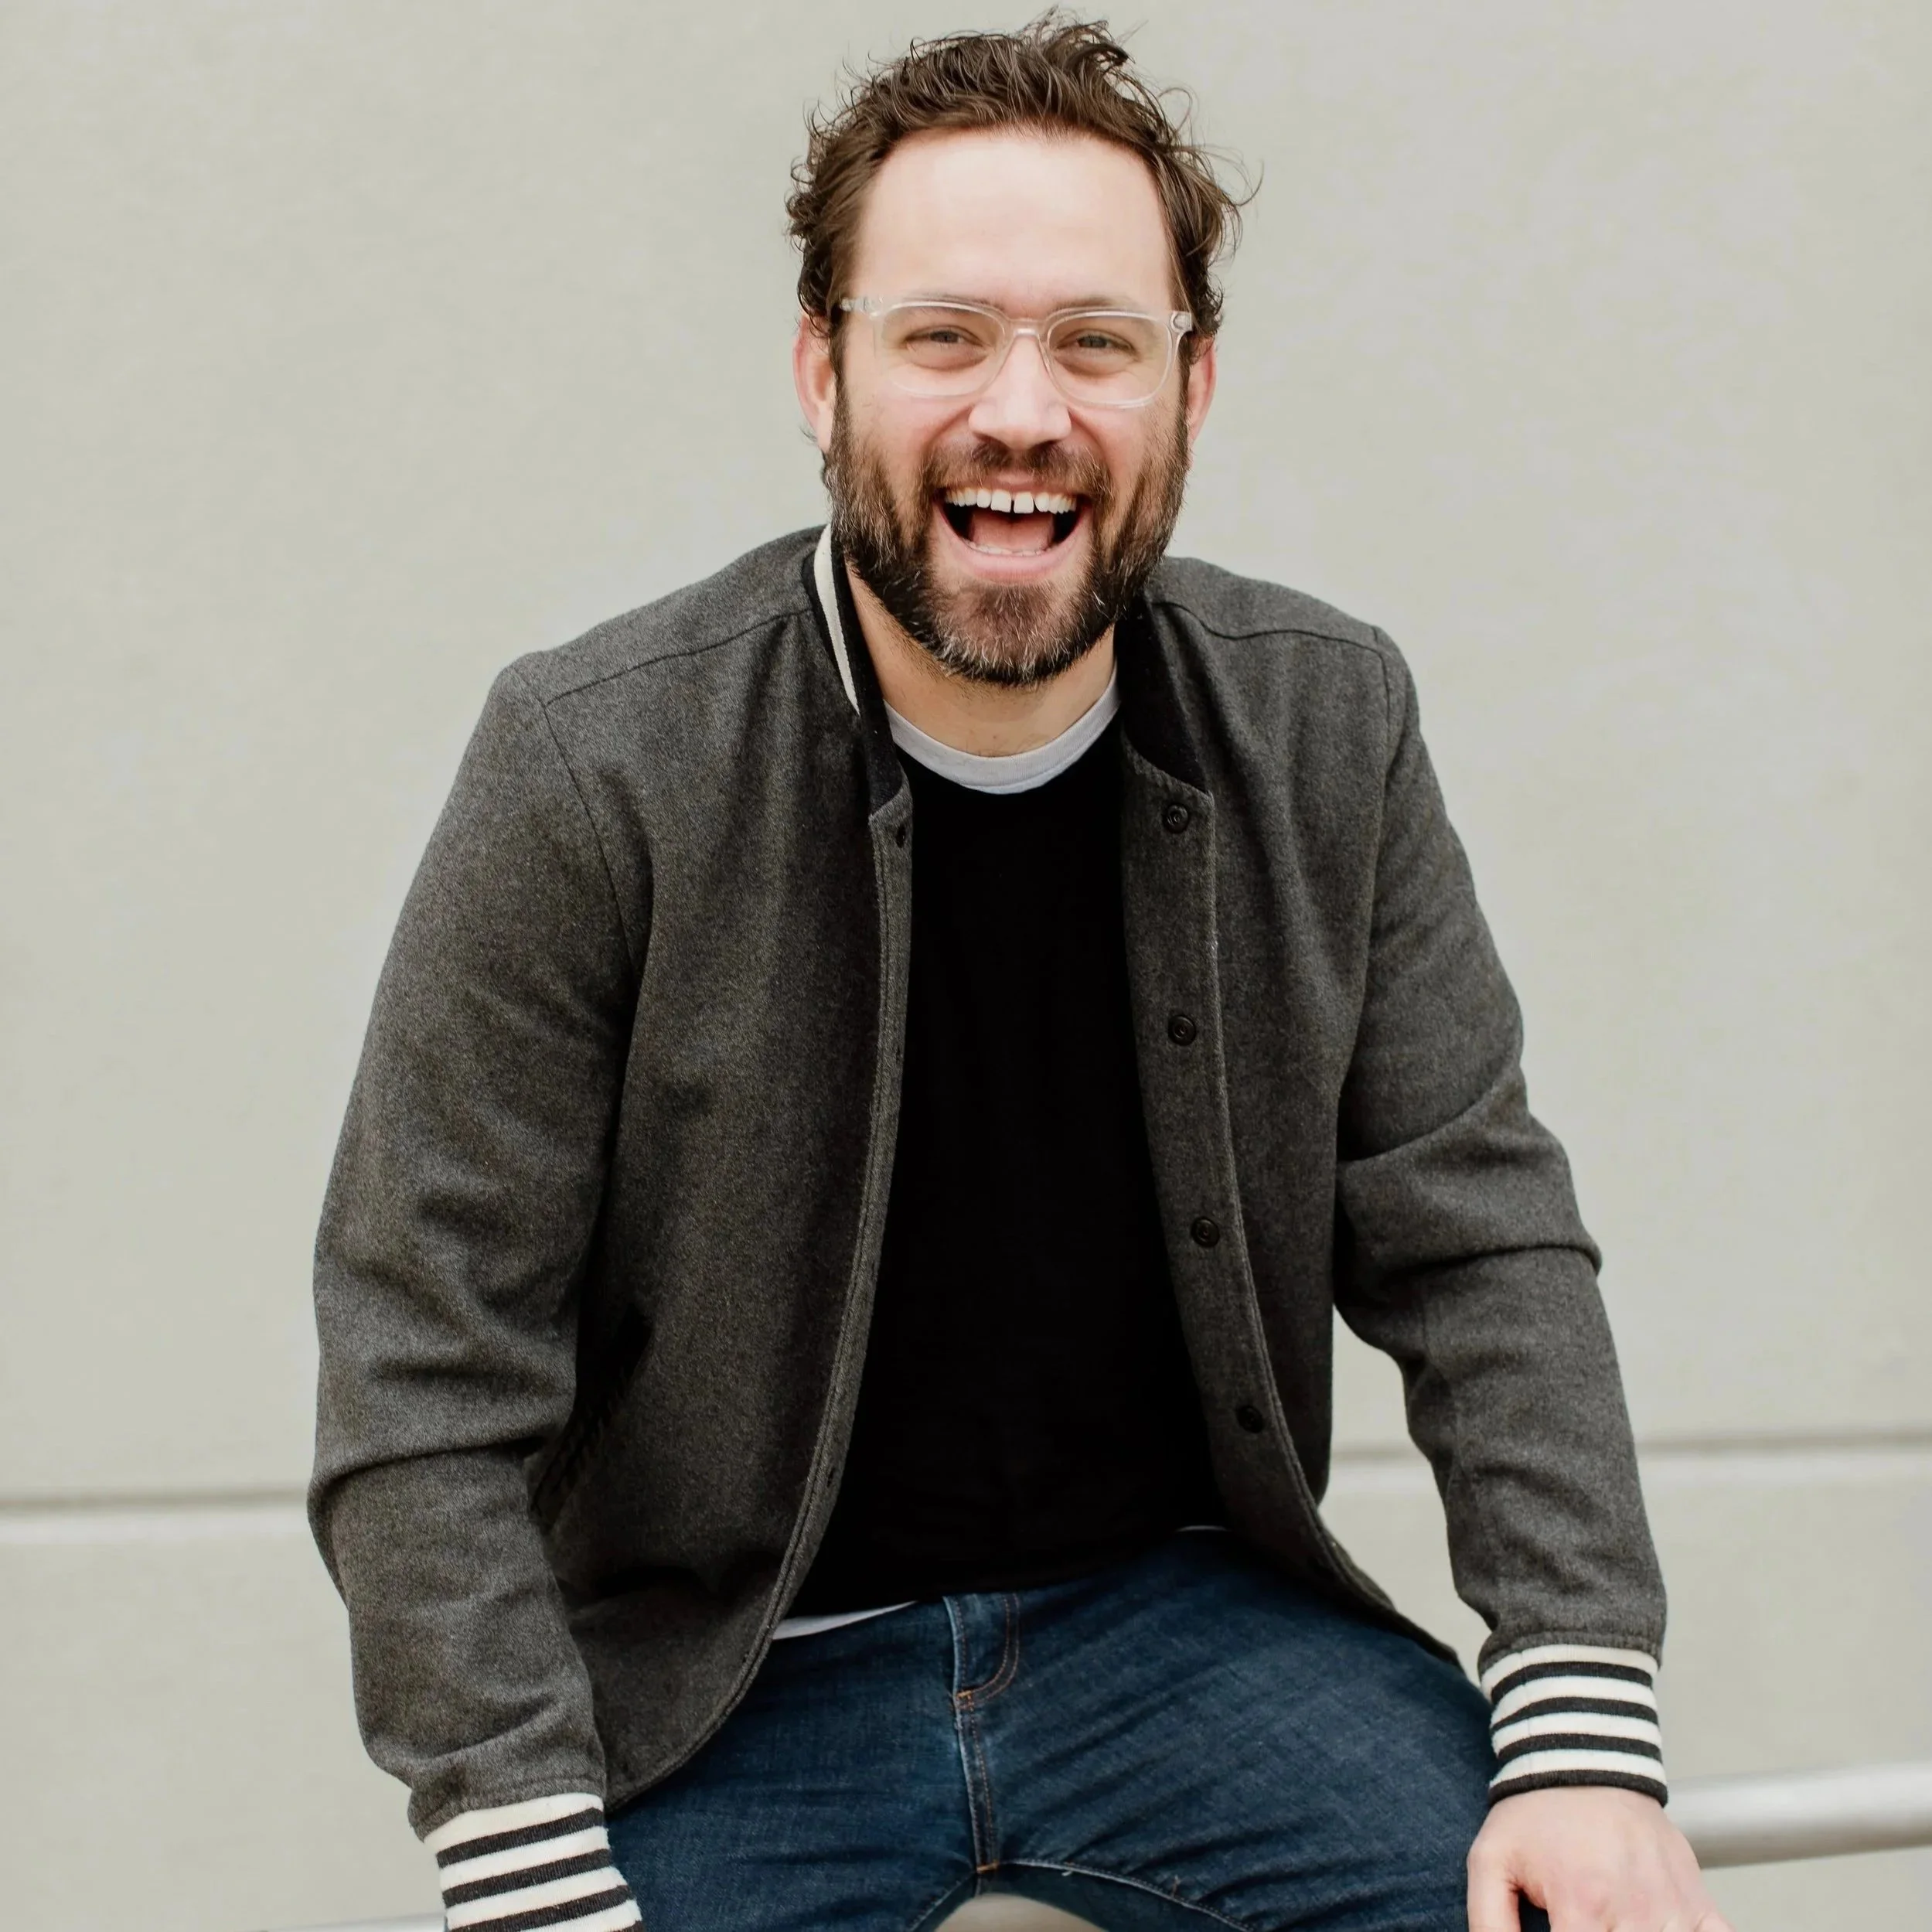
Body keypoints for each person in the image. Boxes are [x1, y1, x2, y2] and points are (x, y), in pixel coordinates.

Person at [310, 18, 1731, 1932]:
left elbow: (1480, 1244)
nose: (1021, 409)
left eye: (1095, 341)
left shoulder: (1327, 724)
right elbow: (422, 1362)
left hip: (1188, 1632)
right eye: (944, 335)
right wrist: (517, 1849)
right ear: (820, 371)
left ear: (1191, 385)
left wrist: (1582, 1739)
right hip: (727, 1683)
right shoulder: (590, 763)